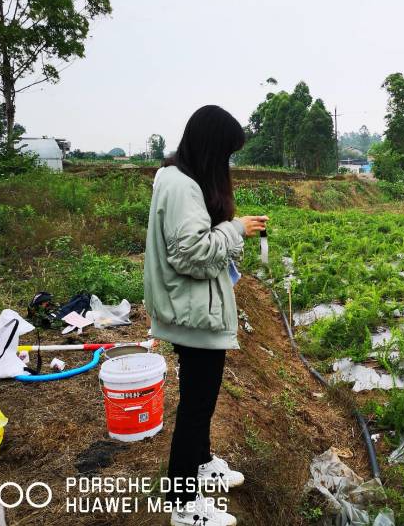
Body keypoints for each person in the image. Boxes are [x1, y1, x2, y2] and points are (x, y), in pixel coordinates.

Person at [144, 105, 268, 526]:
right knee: (197, 406)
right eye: (226, 154)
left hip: (190, 309)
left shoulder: (176, 176)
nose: (227, 163)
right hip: (193, 313)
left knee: (202, 399)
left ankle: (203, 463)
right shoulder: (182, 187)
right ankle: (182, 503)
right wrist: (235, 230)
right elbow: (192, 254)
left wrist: (230, 227)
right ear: (212, 148)